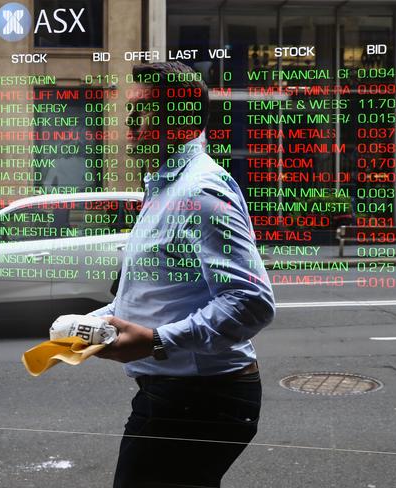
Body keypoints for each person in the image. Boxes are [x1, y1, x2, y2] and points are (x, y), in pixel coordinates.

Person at [89, 61, 276, 488]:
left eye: (144, 108)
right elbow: (165, 291)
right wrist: (99, 321)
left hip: (200, 401)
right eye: (128, 109)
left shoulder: (200, 191)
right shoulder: (164, 186)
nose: (130, 119)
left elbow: (250, 303)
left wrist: (155, 341)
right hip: (179, 395)